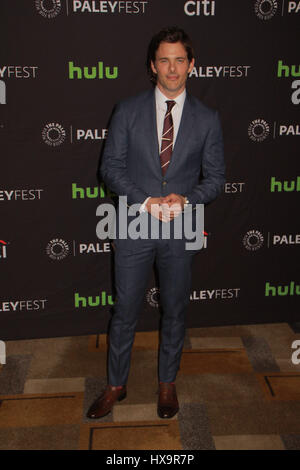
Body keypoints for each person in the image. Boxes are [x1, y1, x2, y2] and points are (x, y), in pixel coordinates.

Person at [87, 26, 225, 420]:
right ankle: (116, 384)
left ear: (191, 65)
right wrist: (146, 201)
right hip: (134, 222)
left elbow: (215, 178)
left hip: (181, 227)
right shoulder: (127, 110)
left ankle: (167, 383)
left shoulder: (208, 118)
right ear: (153, 66)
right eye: (164, 59)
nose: (172, 68)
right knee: (125, 309)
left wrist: (188, 199)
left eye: (179, 59)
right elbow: (110, 169)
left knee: (175, 309)